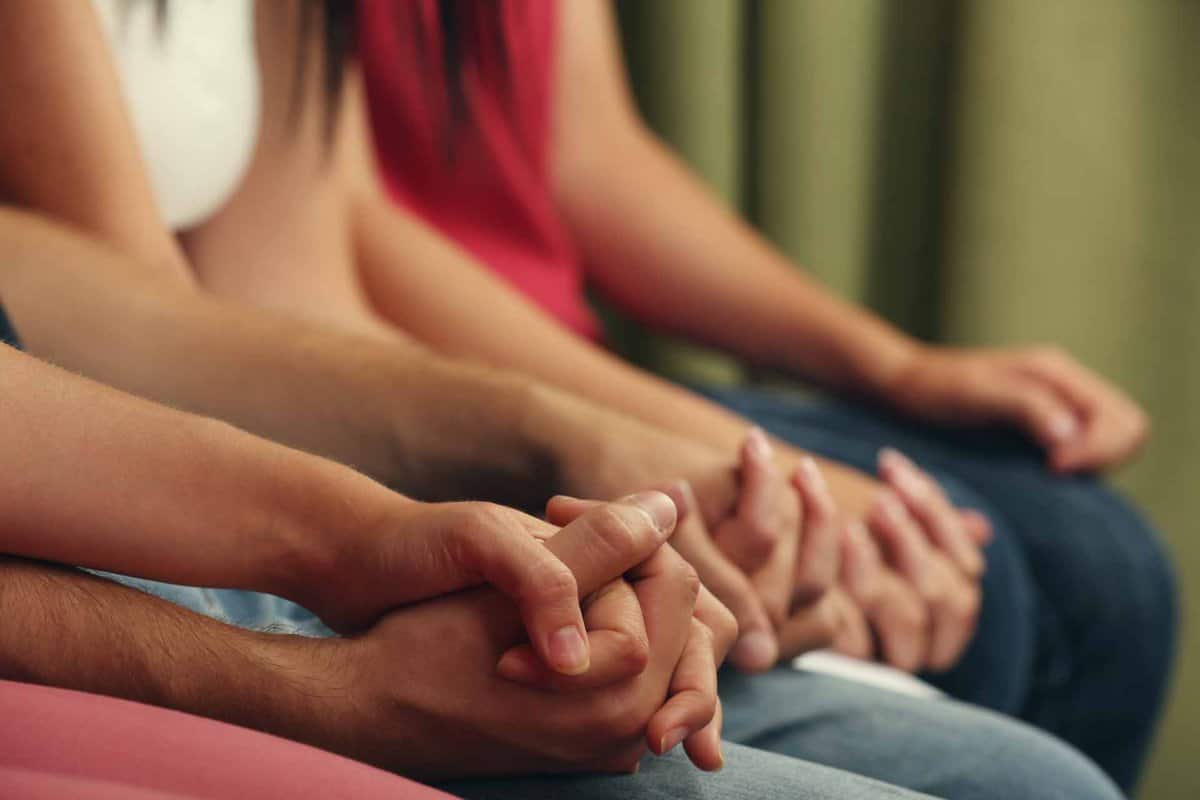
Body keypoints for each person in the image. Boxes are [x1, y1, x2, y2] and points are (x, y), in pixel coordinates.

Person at [0, 2, 1125, 798]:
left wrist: (633, 477)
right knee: (1042, 625)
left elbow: (265, 286)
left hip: (201, 463)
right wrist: (332, 671)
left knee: (1053, 690)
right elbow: (140, 322)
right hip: (137, 551)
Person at [353, 0, 1177, 790]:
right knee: (979, 607)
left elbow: (589, 150)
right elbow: (344, 242)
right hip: (411, 392)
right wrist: (740, 463)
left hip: (567, 368)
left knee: (1108, 569)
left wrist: (895, 366)